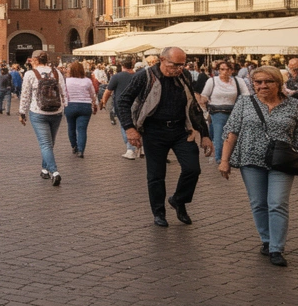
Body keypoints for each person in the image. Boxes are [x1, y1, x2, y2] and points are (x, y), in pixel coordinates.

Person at [218, 65, 298, 266]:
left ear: (278, 83)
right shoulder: (244, 102)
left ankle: (276, 248)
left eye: (268, 81)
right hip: (250, 160)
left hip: (283, 162)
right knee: (258, 203)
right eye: (258, 82)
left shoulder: (294, 106)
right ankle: (266, 240)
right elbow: (231, 133)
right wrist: (224, 161)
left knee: (278, 203)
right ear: (253, 84)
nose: (263, 86)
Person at [116, 46, 212, 227]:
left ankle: (178, 200)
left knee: (193, 169)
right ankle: (159, 212)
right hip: (154, 131)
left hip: (180, 130)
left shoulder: (184, 76)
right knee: (156, 175)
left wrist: (204, 134)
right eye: (174, 64)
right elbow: (123, 101)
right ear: (161, 60)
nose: (178, 68)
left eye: (182, 65)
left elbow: (193, 106)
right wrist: (129, 128)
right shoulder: (144, 76)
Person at [18, 50, 67, 186]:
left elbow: (25, 95)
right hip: (57, 112)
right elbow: (63, 92)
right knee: (50, 143)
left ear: (35, 60)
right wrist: (64, 107)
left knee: (45, 144)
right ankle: (45, 170)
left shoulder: (30, 74)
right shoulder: (57, 72)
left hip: (38, 112)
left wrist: (22, 113)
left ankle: (54, 172)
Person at [199, 61, 251, 165]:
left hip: (235, 111)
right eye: (222, 69)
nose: (225, 72)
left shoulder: (238, 81)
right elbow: (204, 95)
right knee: (219, 135)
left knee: (235, 134)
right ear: (218, 70)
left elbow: (246, 95)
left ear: (232, 70)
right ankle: (219, 158)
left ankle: (234, 156)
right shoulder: (212, 81)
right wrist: (204, 104)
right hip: (217, 111)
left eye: (228, 69)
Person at [101, 63, 140, 159]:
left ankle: (130, 149)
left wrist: (103, 102)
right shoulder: (138, 76)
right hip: (137, 104)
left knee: (125, 125)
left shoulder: (117, 76)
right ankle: (139, 146)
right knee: (137, 124)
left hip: (121, 105)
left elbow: (108, 91)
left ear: (123, 66)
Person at [63, 62, 97, 158]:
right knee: (82, 129)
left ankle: (74, 146)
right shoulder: (87, 81)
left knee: (71, 127)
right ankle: (81, 150)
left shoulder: (67, 81)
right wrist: (95, 104)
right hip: (85, 106)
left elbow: (64, 94)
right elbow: (92, 94)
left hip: (71, 105)